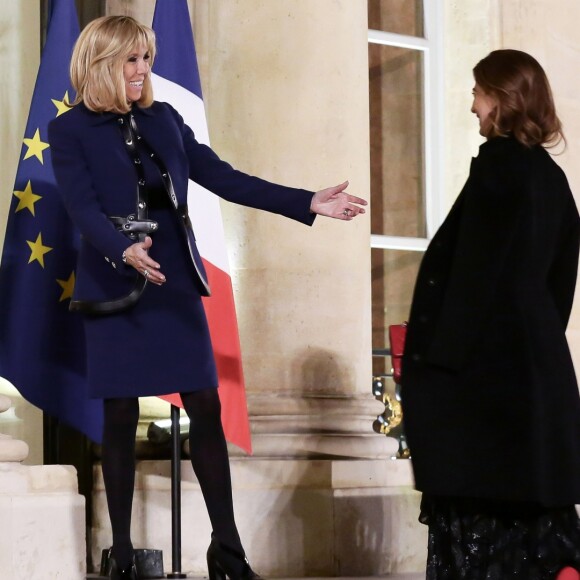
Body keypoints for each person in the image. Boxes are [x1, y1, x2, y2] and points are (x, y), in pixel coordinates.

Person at [47, 15, 366, 580]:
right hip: (116, 283)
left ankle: (228, 551)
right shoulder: (71, 130)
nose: (143, 70)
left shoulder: (165, 118)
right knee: (119, 414)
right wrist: (122, 250)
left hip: (172, 283)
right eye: (131, 60)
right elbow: (81, 207)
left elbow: (222, 176)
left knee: (207, 407)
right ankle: (122, 553)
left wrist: (305, 201)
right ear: (101, 64)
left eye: (146, 58)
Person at [401, 49, 580, 579]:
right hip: (537, 375)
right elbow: (559, 284)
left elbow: (469, 280)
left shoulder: (500, 172)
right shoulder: (552, 179)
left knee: (482, 531)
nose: (471, 106)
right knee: (540, 530)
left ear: (503, 100)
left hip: (485, 389)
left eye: (478, 93)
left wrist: (434, 370)